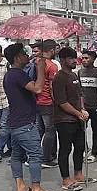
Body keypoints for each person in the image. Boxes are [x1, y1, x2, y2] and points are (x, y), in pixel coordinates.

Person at [3, 43, 59, 191]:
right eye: (23, 53)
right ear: (16, 58)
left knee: (17, 155)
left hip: (14, 122)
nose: (27, 56)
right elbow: (38, 89)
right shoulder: (18, 74)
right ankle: (36, 190)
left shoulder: (10, 74)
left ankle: (21, 187)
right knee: (35, 155)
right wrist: (41, 69)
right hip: (25, 123)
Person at [53, 47, 95, 191]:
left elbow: (80, 96)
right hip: (64, 119)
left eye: (74, 58)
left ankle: (78, 174)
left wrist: (82, 110)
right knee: (65, 149)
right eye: (71, 58)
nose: (74, 61)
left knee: (79, 147)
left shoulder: (74, 76)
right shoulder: (59, 78)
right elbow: (62, 102)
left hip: (78, 119)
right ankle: (65, 180)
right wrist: (78, 113)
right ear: (63, 60)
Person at [36, 40, 60, 168]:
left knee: (39, 129)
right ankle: (46, 158)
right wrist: (56, 101)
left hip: (37, 100)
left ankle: (33, 155)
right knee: (50, 130)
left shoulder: (36, 62)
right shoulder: (52, 66)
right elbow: (51, 87)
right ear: (52, 50)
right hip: (47, 101)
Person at [78, 50, 97, 164]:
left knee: (96, 130)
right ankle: (85, 149)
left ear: (93, 59)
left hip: (96, 106)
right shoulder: (80, 72)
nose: (84, 60)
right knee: (81, 130)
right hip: (84, 107)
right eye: (83, 58)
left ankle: (94, 153)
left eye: (87, 58)